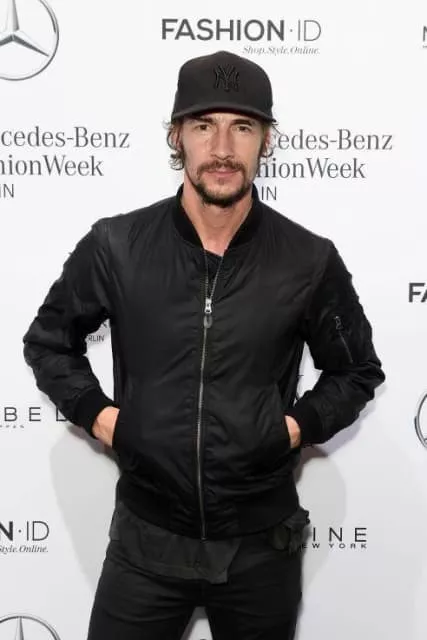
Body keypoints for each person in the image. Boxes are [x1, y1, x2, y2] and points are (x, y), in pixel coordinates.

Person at [23, 50, 385, 640]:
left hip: (260, 547)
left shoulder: (308, 260)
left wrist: (290, 430)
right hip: (145, 540)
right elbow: (48, 343)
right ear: (176, 136)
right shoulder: (117, 246)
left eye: (242, 127)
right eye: (202, 126)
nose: (222, 148)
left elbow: (357, 371)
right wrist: (109, 421)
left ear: (266, 140)